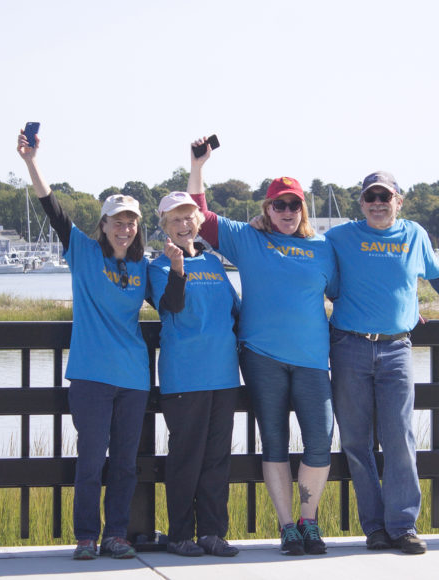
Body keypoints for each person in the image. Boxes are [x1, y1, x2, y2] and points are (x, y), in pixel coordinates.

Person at [17, 130, 178, 560]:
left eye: (131, 222)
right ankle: (87, 535)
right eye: (117, 221)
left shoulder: (143, 267)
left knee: (124, 464)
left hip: (132, 378)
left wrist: (181, 264)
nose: (125, 229)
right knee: (90, 463)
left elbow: (171, 306)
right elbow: (51, 208)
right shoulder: (83, 252)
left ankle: (117, 534)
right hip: (90, 376)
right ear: (103, 225)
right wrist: (31, 161)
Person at [325, 171, 439, 555]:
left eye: (384, 197)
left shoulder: (414, 235)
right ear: (361, 203)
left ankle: (403, 526)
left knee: (400, 439)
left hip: (396, 350)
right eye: (370, 197)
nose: (377, 203)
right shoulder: (338, 237)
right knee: (356, 442)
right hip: (349, 347)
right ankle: (374, 529)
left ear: (398, 201)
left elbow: (438, 275)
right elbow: (306, 260)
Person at [188, 137, 337, 556]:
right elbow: (200, 214)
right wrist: (198, 165)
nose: (287, 212)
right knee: (273, 443)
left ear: (302, 209)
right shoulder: (247, 239)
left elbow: (352, 291)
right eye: (279, 205)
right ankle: (287, 526)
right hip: (261, 358)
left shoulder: (323, 249)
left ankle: (309, 522)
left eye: (294, 205)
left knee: (319, 443)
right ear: (267, 209)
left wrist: (405, 313)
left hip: (311, 361)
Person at [147, 191, 242, 557]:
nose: (184, 224)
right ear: (165, 226)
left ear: (198, 223)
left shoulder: (216, 265)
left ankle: (213, 533)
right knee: (187, 458)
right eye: (175, 220)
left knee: (217, 459)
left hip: (223, 375)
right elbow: (171, 305)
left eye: (189, 218)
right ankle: (180, 535)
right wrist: (176, 269)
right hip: (185, 377)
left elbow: (236, 312)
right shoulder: (157, 266)